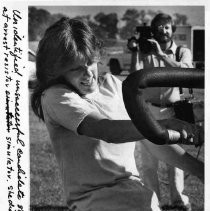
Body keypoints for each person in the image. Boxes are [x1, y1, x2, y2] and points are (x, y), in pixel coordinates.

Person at [31, 17, 204, 211]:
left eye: (90, 62)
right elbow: (107, 130)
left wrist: (201, 170)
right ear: (57, 70)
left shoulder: (113, 85)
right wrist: (163, 124)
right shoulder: (56, 96)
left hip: (139, 196)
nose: (88, 73)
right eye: (75, 68)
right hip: (94, 201)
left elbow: (153, 141)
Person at [127, 13, 196, 210]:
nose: (162, 31)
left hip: (172, 111)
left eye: (167, 27)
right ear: (153, 30)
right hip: (147, 111)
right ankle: (153, 202)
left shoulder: (182, 51)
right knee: (148, 162)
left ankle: (179, 201)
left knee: (175, 161)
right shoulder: (145, 50)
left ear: (172, 30)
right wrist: (135, 52)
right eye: (159, 27)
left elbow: (188, 72)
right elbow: (134, 74)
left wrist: (162, 56)